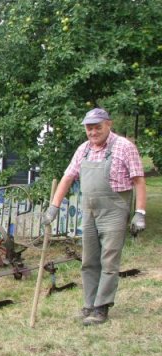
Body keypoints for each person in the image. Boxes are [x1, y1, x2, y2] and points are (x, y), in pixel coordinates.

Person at [42, 107, 146, 325]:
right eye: (89, 128)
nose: (93, 132)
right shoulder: (84, 149)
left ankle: (101, 308)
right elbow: (67, 177)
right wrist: (54, 207)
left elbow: (138, 180)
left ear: (109, 124)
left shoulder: (124, 147)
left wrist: (140, 213)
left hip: (114, 210)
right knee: (89, 260)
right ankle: (89, 304)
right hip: (89, 211)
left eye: (97, 127)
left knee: (109, 260)